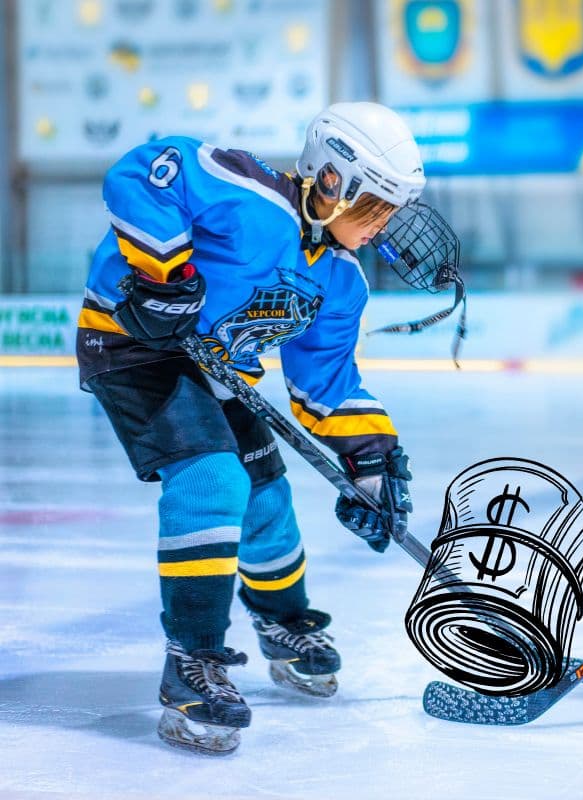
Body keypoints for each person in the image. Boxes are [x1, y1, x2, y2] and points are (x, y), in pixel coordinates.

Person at [76, 102, 460, 755]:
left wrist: (370, 464)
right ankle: (191, 662)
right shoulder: (250, 200)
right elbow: (143, 172)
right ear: (333, 181)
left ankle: (284, 624)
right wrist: (162, 275)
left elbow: (326, 384)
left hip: (217, 368)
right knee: (213, 478)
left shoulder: (339, 281)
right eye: (378, 208)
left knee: (268, 502)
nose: (385, 227)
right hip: (135, 345)